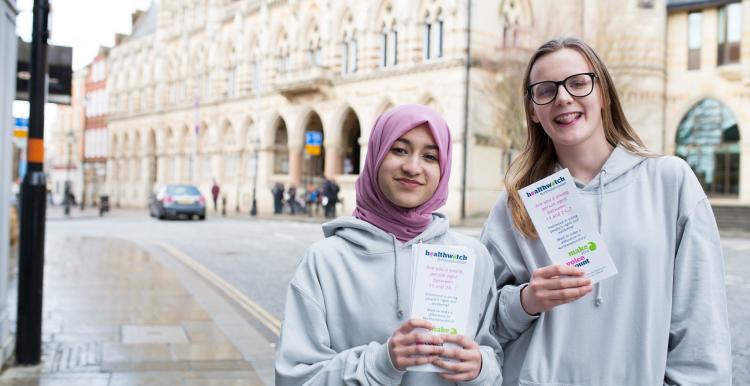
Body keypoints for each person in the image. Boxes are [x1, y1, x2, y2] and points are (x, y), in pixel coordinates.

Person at [481, 37, 731, 385]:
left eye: (579, 82)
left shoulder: (670, 181)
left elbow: (701, 325)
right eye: (546, 90)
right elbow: (480, 325)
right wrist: (525, 302)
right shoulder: (515, 204)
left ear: (604, 94)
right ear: (534, 111)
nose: (563, 97)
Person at [276, 104, 509, 385]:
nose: (412, 167)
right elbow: (294, 378)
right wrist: (382, 362)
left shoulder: (472, 256)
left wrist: (480, 367)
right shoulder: (325, 260)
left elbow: (493, 357)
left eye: (430, 156)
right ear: (375, 154)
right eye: (399, 150)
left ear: (444, 166)